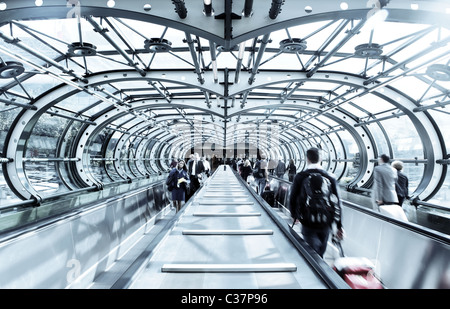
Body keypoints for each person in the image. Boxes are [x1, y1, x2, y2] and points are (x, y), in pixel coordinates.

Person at [289, 147, 344, 258]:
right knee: (320, 253)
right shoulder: (330, 177)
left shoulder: (300, 176)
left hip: (307, 220)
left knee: (311, 253)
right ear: (321, 159)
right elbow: (338, 202)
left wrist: (294, 215)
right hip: (325, 222)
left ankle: (316, 271)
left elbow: (292, 198)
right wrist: (339, 225)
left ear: (307, 159)